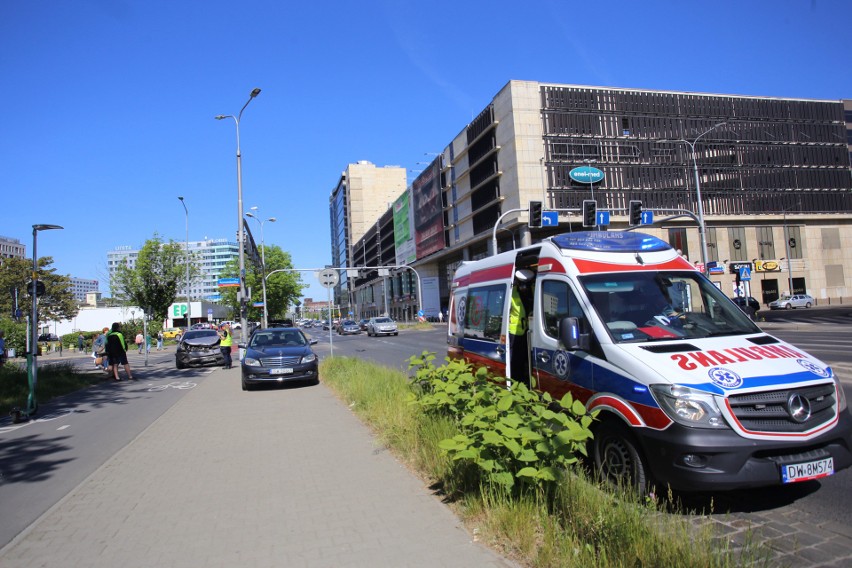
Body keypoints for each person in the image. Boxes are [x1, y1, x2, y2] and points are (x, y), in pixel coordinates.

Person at [509, 269, 534, 388]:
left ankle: (526, 381)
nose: (524, 288)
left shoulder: (533, 291)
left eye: (527, 285)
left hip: (530, 331)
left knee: (527, 359)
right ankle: (516, 383)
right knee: (516, 361)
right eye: (522, 284)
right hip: (514, 332)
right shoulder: (512, 293)